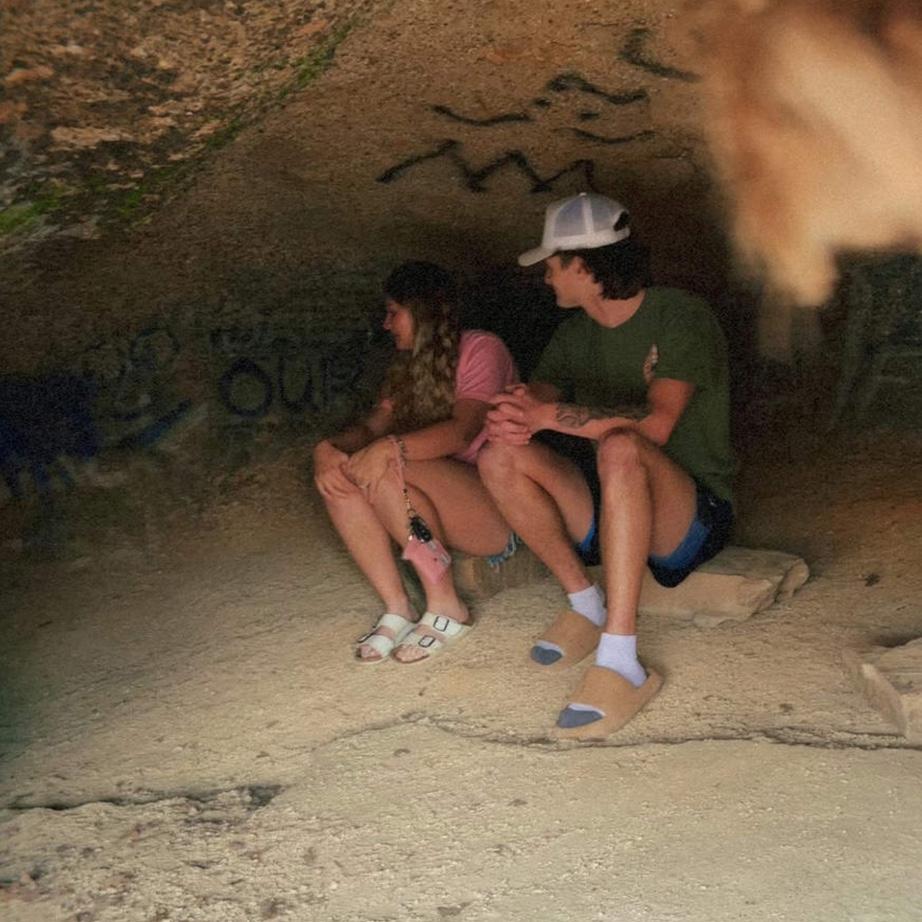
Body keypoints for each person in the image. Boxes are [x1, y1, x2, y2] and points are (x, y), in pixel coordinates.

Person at [479, 192, 736, 739]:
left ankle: (622, 661)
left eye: (553, 265)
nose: (547, 277)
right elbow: (541, 393)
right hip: (612, 503)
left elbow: (656, 425)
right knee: (499, 455)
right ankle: (585, 602)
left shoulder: (680, 316)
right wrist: (515, 411)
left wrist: (544, 415)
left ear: (582, 265)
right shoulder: (575, 333)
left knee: (621, 445)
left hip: (690, 515)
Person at [313, 261, 519, 664]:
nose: (386, 324)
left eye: (394, 312)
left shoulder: (481, 348)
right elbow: (371, 428)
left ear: (423, 311)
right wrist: (328, 448)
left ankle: (447, 606)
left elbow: (462, 432)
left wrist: (389, 448)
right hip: (436, 504)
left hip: (496, 511)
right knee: (342, 472)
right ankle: (398, 607)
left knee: (388, 462)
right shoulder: (407, 366)